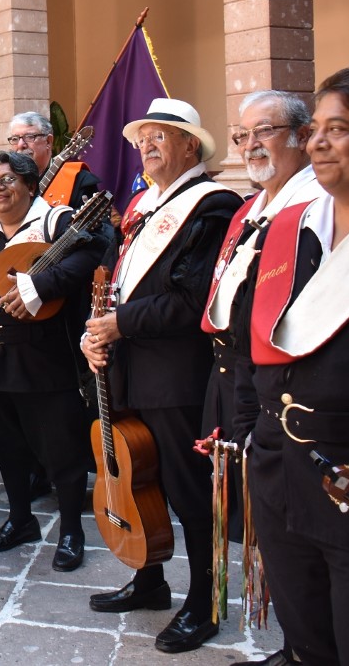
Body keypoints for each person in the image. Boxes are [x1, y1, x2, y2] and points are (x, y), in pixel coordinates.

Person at [232, 66, 349, 665]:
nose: (318, 143)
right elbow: (252, 343)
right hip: (282, 472)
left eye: (340, 128)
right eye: (315, 130)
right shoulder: (291, 229)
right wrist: (255, 437)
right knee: (306, 642)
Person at [80, 97, 241, 654]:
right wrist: (96, 332)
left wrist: (118, 323)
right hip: (127, 365)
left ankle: (206, 601)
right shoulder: (145, 204)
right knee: (136, 476)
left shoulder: (212, 206)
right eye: (141, 139)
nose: (146, 146)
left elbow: (193, 299)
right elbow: (115, 280)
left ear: (190, 146)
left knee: (187, 489)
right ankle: (149, 579)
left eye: (159, 137)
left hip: (175, 373)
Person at [198, 90, 317, 666]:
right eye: (242, 136)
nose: (250, 145)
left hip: (275, 393)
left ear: (301, 137)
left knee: (292, 530)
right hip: (232, 377)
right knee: (261, 523)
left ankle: (306, 647)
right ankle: (297, 643)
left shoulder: (313, 208)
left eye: (263, 131)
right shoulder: (254, 209)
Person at [0, 152, 105, 570]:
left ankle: (72, 529)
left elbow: (93, 253)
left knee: (61, 448)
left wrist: (39, 285)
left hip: (45, 356)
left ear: (30, 185)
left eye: (8, 180)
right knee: (6, 446)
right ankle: (20, 519)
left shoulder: (57, 222)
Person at [8, 111, 100, 208]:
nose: (20, 145)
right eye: (15, 139)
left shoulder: (78, 179)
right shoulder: (5, 182)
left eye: (29, 137)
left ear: (48, 141)